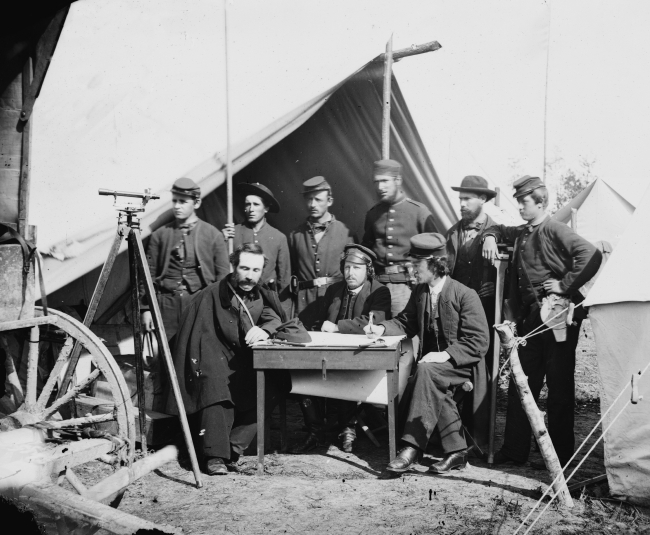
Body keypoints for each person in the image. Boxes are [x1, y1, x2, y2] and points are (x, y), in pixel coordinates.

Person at [482, 175, 602, 467]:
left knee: (559, 390)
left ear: (541, 202)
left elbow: (591, 254)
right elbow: (499, 228)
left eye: (524, 201)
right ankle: (515, 450)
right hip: (530, 321)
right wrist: (489, 236)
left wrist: (565, 285)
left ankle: (560, 456)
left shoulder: (554, 229)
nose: (521, 207)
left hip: (558, 317)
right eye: (520, 201)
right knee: (523, 384)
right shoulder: (523, 232)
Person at [165, 243, 311, 475]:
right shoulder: (210, 294)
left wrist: (266, 330)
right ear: (233, 266)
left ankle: (233, 447)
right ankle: (214, 457)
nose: (249, 276)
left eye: (255, 270)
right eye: (244, 269)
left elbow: (273, 317)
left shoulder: (261, 293)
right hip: (211, 356)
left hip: (243, 359)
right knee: (215, 385)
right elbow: (196, 339)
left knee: (276, 383)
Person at [365, 233, 489, 475]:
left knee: (425, 370)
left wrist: (445, 355)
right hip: (432, 368)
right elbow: (405, 323)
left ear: (436, 264)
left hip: (462, 363)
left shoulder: (465, 294)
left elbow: (479, 341)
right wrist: (381, 328)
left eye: (417, 265)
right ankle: (457, 452)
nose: (412, 271)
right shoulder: (421, 293)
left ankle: (412, 448)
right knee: (427, 372)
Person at [289, 244, 392, 454]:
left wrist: (337, 327)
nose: (350, 273)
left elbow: (373, 323)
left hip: (362, 358)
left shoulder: (380, 291)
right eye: (346, 267)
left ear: (368, 270)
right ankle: (315, 430)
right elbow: (320, 321)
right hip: (331, 354)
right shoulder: (334, 290)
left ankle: (347, 427)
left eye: (356, 268)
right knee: (301, 371)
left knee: (345, 372)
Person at [445, 175, 499, 448]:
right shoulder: (452, 233)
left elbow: (509, 269)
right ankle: (453, 434)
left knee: (481, 373)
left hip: (485, 315)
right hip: (455, 314)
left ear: (484, 200)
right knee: (454, 368)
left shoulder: (496, 231)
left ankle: (480, 438)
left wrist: (495, 285)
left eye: (468, 199)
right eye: (460, 199)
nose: (462, 204)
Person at [141, 177, 229, 341]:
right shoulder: (160, 235)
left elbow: (222, 277)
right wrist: (146, 309)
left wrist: (216, 311)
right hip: (165, 305)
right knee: (165, 357)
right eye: (174, 201)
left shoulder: (213, 235)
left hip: (199, 305)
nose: (176, 206)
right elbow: (148, 275)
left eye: (182, 201)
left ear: (196, 203)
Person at [362, 159, 436, 317]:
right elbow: (366, 250)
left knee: (404, 337)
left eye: (385, 181)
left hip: (406, 287)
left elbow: (436, 254)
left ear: (398, 180)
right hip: (377, 287)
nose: (380, 187)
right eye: (377, 182)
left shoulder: (419, 212)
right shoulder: (373, 214)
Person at [288, 176, 354, 326]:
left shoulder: (346, 233)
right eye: (309, 199)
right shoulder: (295, 235)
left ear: (329, 201)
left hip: (335, 301)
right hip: (304, 304)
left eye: (318, 200)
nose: (312, 204)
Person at [222, 182, 291, 304]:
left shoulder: (278, 237)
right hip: (238, 299)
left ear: (266, 208)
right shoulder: (233, 233)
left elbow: (284, 280)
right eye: (248, 204)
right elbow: (222, 267)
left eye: (256, 204)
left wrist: (282, 309)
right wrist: (222, 240)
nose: (251, 209)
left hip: (267, 301)